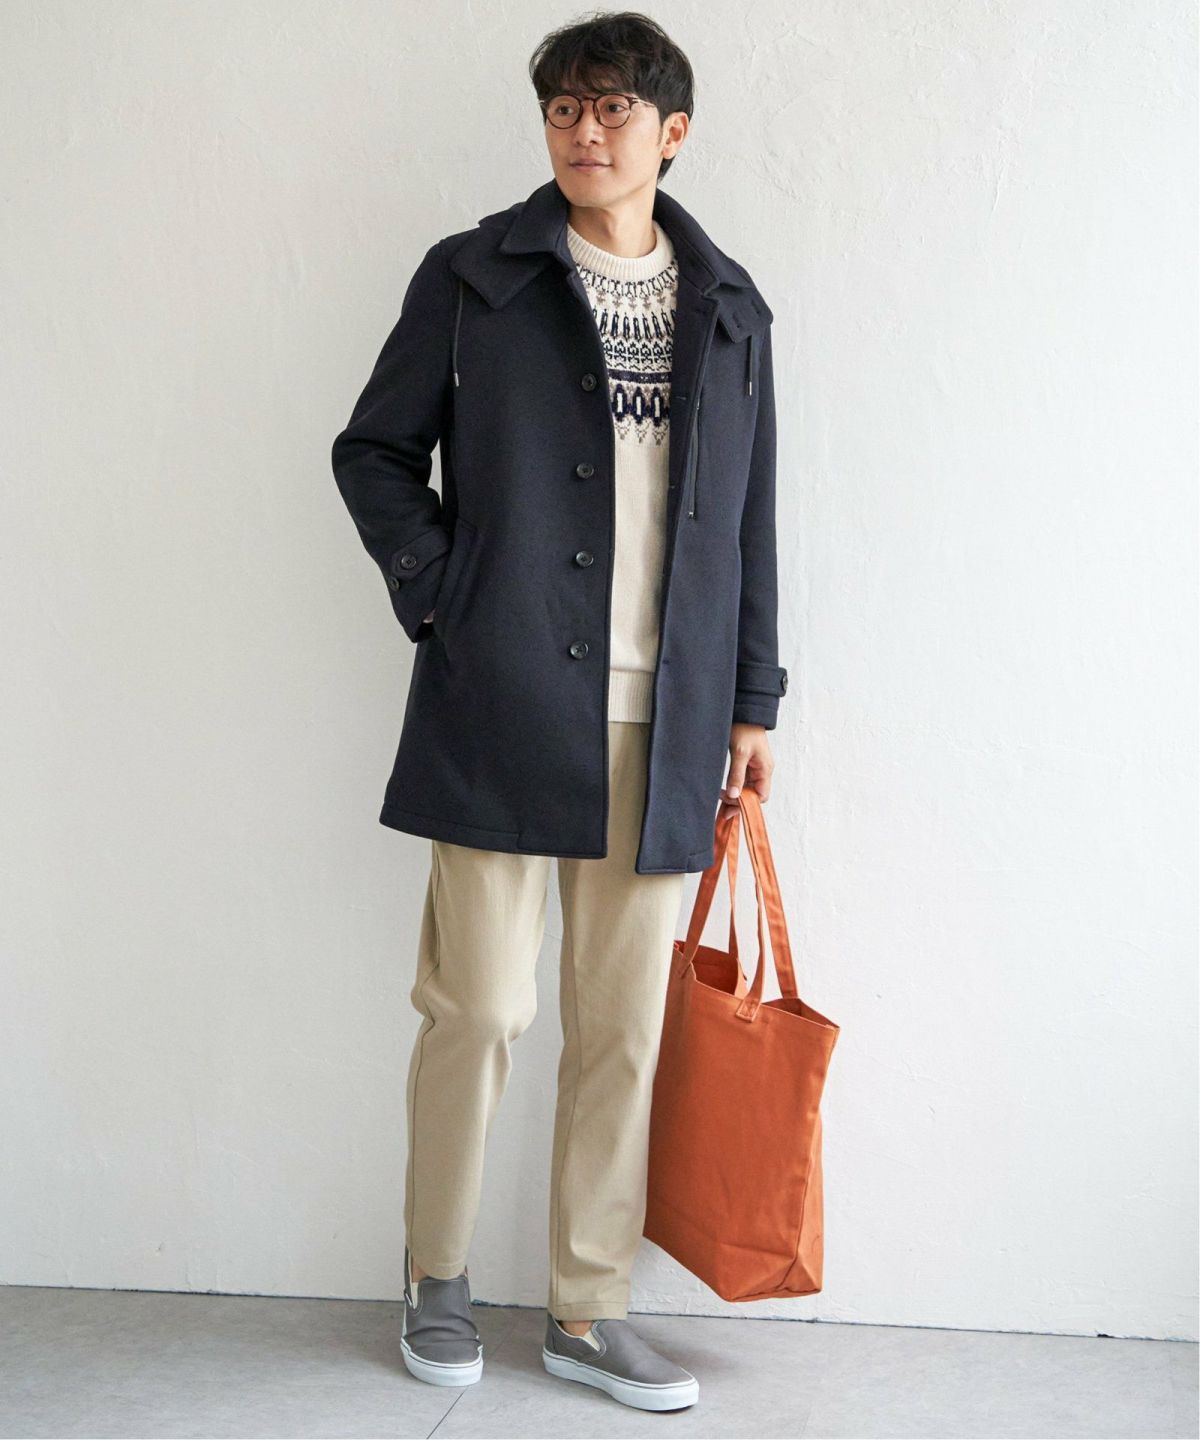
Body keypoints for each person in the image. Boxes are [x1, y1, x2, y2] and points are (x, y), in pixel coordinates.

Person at [330, 9, 787, 1414]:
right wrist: (445, 593)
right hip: (505, 692)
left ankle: (589, 1310)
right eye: (563, 111)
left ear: (672, 131)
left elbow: (753, 520)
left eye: (612, 109)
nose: (584, 133)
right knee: (478, 1006)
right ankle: (439, 1275)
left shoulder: (730, 307)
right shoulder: (477, 276)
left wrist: (754, 699)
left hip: (671, 718)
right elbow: (374, 451)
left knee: (621, 1030)